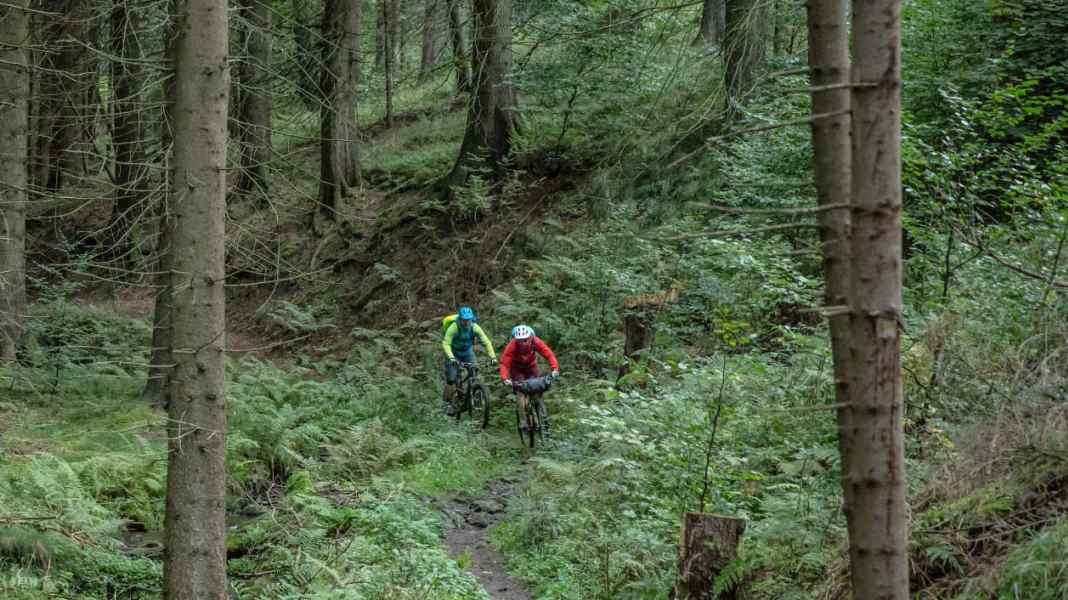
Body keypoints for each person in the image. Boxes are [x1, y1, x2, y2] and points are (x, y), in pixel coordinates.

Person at [499, 325, 560, 433]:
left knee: (537, 390)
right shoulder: (512, 344)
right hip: (516, 369)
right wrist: (504, 378)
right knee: (520, 392)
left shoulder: (535, 341)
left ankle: (539, 416)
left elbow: (549, 354)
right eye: (520, 340)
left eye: (525, 340)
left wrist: (555, 368)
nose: (523, 343)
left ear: (530, 337)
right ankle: (523, 421)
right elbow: (504, 362)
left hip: (531, 367)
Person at [442, 306, 496, 416]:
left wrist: (493, 357)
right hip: (453, 352)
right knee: (452, 379)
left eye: (469, 320)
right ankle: (450, 403)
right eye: (464, 320)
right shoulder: (454, 327)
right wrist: (451, 358)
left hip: (467, 352)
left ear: (472, 319)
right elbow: (446, 343)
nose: (466, 322)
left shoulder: (475, 327)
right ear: (460, 319)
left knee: (474, 370)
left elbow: (486, 342)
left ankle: (475, 394)